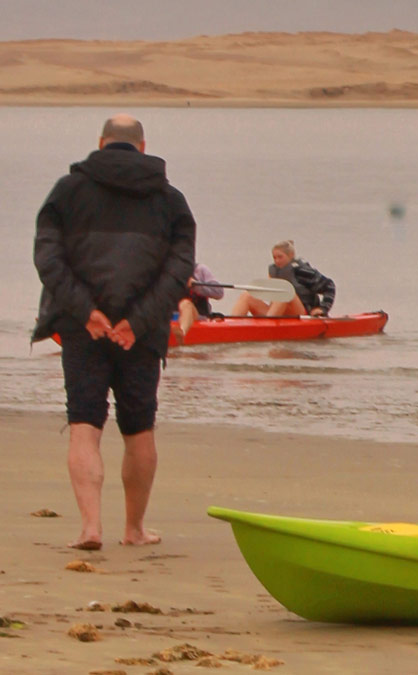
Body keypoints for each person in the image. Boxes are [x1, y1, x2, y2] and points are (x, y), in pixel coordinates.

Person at [32, 114, 196, 549]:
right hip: (139, 333)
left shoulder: (67, 192)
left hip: (83, 327)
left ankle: (90, 528)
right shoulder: (170, 199)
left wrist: (85, 311)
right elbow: (179, 269)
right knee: (138, 427)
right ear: (142, 147)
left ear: (101, 143)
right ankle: (134, 530)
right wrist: (138, 320)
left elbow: (48, 258)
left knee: (85, 423)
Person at [229, 240, 335, 317]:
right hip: (278, 312)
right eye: (274, 257)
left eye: (280, 257)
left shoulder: (302, 271)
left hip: (302, 314)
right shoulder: (273, 270)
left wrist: (323, 308)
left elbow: (329, 286)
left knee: (284, 293)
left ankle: (267, 328)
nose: (277, 261)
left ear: (291, 255)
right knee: (247, 295)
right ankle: (231, 326)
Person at [175, 262, 224, 341]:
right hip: (173, 316)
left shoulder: (200, 270)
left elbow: (219, 293)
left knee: (185, 304)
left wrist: (196, 285)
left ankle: (182, 333)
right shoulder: (166, 273)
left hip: (198, 314)